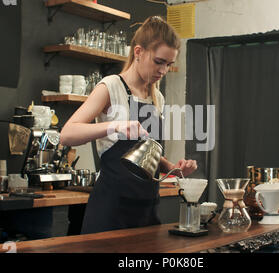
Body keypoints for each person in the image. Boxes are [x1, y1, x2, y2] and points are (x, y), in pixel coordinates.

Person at [60, 16, 197, 234]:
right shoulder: (111, 87)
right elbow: (67, 134)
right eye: (159, 61)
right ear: (139, 52)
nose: (163, 70)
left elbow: (144, 151)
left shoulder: (156, 97)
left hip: (146, 209)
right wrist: (114, 127)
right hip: (111, 211)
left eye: (169, 65)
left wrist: (171, 168)